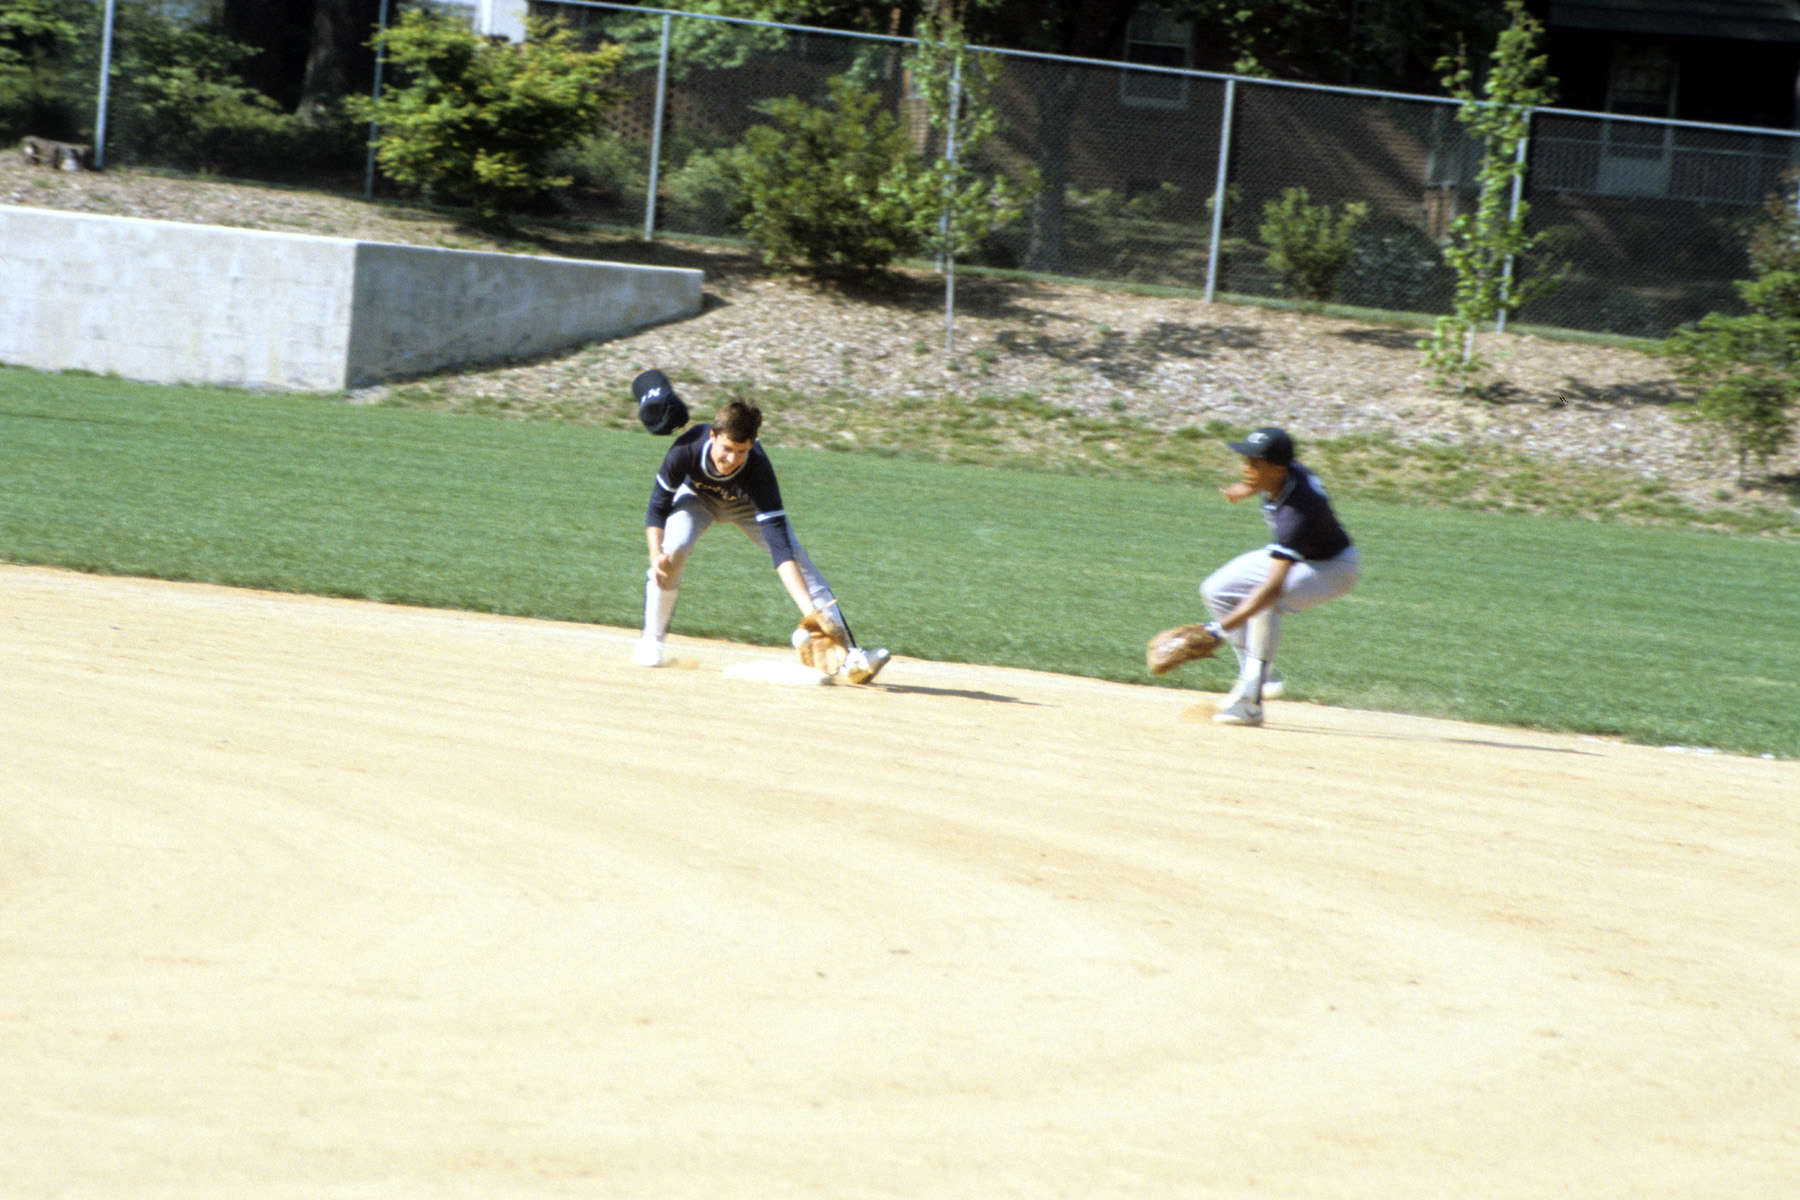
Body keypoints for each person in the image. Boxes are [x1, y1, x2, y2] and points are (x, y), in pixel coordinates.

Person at [635, 393, 890, 684]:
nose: (732, 459)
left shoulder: (758, 469)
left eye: (741, 451)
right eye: (727, 448)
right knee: (674, 548)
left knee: (799, 559)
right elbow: (657, 507)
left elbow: (781, 551)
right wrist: (655, 554)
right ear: (713, 435)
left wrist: (811, 614)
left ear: (752, 444)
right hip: (697, 498)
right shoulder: (686, 448)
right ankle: (652, 639)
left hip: (745, 506)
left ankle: (849, 658)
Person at [1196, 426, 1361, 727]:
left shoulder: (1296, 512)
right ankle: (1260, 676)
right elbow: (1271, 475)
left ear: (1277, 468)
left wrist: (1217, 630)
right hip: (1303, 556)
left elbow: (1272, 588)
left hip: (1332, 567)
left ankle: (1250, 704)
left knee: (1266, 602)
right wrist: (1246, 488)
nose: (1246, 468)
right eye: (1246, 461)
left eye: (1254, 463)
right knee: (1216, 590)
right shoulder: (1284, 472)